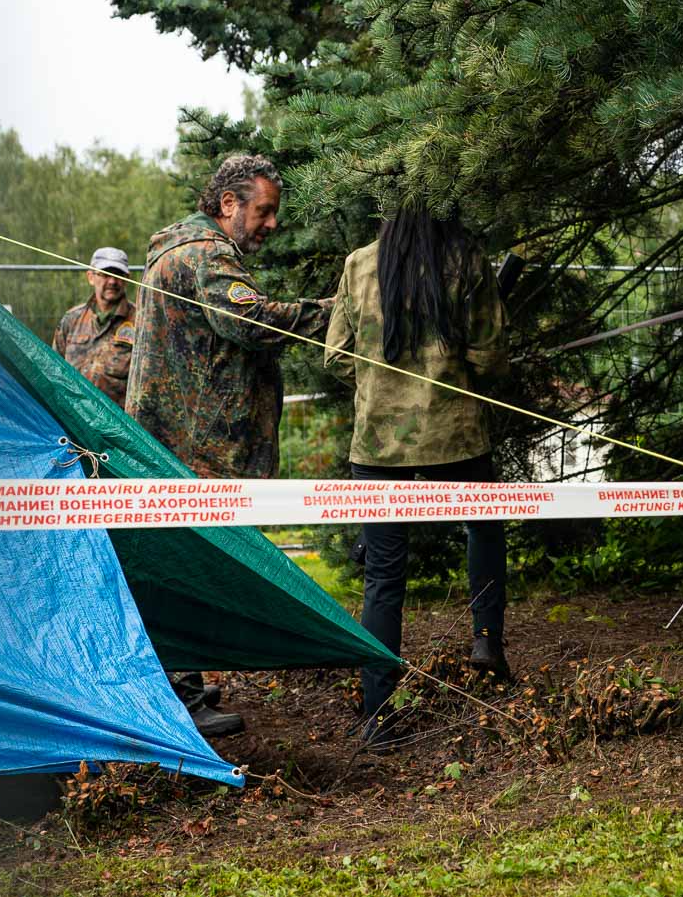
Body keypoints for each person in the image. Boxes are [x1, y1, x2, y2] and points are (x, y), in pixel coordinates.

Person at [126, 153, 329, 737]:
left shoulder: (179, 251)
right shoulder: (206, 254)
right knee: (188, 567)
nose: (270, 225)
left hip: (179, 444)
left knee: (180, 562)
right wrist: (336, 315)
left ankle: (180, 681)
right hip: (194, 449)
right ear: (228, 204)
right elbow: (251, 320)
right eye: (263, 212)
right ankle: (180, 704)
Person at [324, 208, 510, 746]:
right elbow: (490, 355)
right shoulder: (466, 259)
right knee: (484, 528)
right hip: (456, 435)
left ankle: (378, 715)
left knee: (383, 576)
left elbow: (336, 356)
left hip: (378, 444)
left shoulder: (359, 264)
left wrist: (378, 384)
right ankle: (486, 641)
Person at [51, 247, 135, 407]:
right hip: (75, 418)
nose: (112, 281)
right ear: (91, 277)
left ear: (127, 279)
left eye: (118, 275)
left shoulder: (140, 323)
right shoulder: (71, 320)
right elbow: (54, 371)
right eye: (105, 274)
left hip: (119, 425)